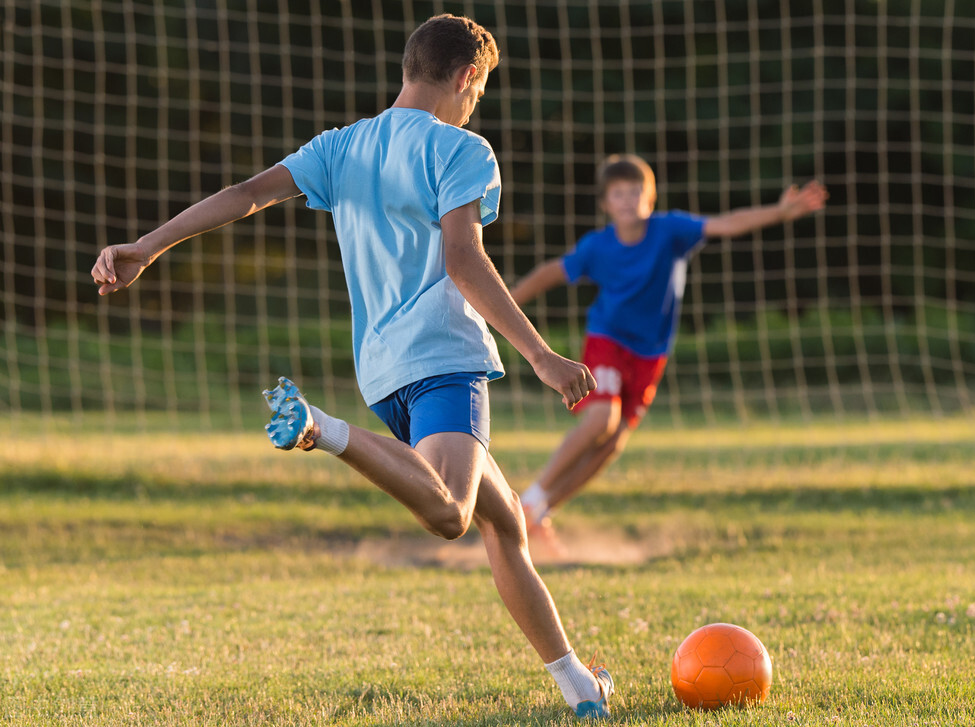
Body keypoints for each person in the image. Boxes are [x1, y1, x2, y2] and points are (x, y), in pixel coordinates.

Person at [90, 14, 614, 720]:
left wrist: (147, 246)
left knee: (504, 521)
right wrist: (542, 355)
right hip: (443, 360)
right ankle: (320, 428)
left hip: (384, 374)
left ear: (408, 67)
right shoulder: (463, 148)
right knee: (452, 512)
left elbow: (246, 194)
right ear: (465, 77)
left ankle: (580, 688)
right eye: (477, 92)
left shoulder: (341, 146)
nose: (473, 106)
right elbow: (463, 260)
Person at [510, 154, 827, 551]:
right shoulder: (597, 247)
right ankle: (525, 502)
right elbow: (549, 273)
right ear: (606, 203)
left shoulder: (670, 231)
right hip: (607, 340)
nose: (628, 200)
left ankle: (540, 511)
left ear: (650, 199)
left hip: (649, 355)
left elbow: (727, 224)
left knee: (613, 444)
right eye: (618, 194)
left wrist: (779, 213)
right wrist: (502, 305)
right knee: (601, 422)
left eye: (636, 192)